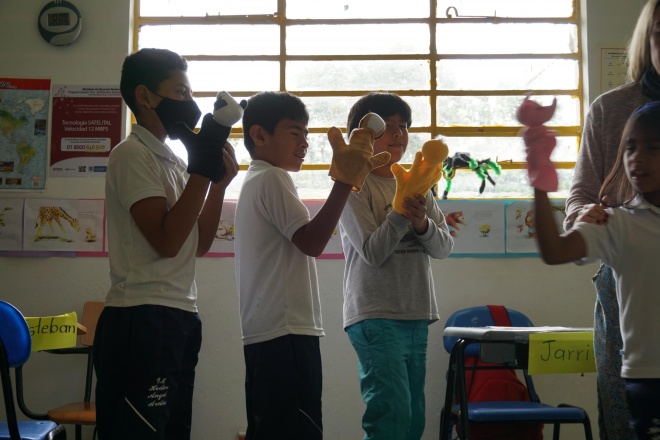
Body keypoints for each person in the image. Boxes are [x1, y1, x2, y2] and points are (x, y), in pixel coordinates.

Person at [93, 48, 239, 439]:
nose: (189, 103)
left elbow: (198, 243)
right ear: (145, 96)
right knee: (137, 432)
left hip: (179, 314)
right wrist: (201, 171)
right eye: (179, 92)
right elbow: (166, 242)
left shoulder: (173, 162)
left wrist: (216, 183)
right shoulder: (131, 155)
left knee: (173, 430)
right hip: (142, 316)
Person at [234, 91, 390, 440]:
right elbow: (311, 242)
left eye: (306, 134)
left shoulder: (257, 179)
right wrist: (344, 183)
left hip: (269, 332)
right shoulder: (271, 178)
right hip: (285, 332)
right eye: (294, 132)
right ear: (259, 135)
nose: (304, 142)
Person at [533, 101, 660, 440]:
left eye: (653, 147)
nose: (637, 157)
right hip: (647, 379)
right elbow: (555, 251)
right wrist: (540, 185)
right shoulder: (617, 222)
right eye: (630, 147)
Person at [564, 1, 660, 437]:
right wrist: (585, 216)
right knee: (625, 410)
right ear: (647, 40)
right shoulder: (612, 108)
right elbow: (580, 200)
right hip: (627, 273)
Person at [338, 92, 454, 440]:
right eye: (387, 127)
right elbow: (373, 253)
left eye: (402, 126)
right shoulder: (352, 186)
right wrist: (401, 214)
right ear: (363, 135)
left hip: (416, 312)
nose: (398, 134)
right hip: (375, 313)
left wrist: (421, 224)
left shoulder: (422, 182)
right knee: (391, 417)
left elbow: (443, 247)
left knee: (413, 418)